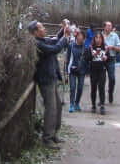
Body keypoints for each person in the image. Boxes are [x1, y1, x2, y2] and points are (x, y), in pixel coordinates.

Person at [28, 20, 70, 148]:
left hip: (51, 78)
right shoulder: (37, 44)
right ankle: (47, 138)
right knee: (51, 109)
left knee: (57, 106)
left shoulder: (43, 40)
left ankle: (54, 134)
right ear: (35, 32)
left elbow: (55, 39)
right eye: (41, 28)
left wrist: (63, 30)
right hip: (45, 80)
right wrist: (65, 38)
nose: (44, 29)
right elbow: (55, 49)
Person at [84, 30, 108, 114]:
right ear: (94, 39)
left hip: (102, 70)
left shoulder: (105, 48)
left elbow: (109, 61)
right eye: (96, 38)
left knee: (101, 87)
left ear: (102, 39)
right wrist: (93, 55)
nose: (98, 39)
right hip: (93, 70)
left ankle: (102, 105)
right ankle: (93, 105)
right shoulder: (90, 48)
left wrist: (106, 59)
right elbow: (86, 59)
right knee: (93, 88)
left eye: (100, 38)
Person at [66, 29, 86, 112]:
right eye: (79, 36)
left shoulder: (85, 47)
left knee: (80, 87)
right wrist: (66, 72)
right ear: (76, 36)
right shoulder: (71, 46)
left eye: (82, 36)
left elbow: (86, 59)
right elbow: (67, 58)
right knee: (72, 87)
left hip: (82, 70)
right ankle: (71, 104)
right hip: (72, 68)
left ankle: (77, 103)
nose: (80, 37)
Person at [103, 20, 120, 103]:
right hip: (101, 59)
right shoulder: (100, 36)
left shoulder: (115, 36)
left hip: (111, 58)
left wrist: (112, 47)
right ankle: (102, 97)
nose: (110, 27)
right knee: (101, 79)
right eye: (108, 26)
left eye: (110, 26)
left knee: (112, 78)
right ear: (104, 27)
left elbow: (119, 48)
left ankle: (110, 92)